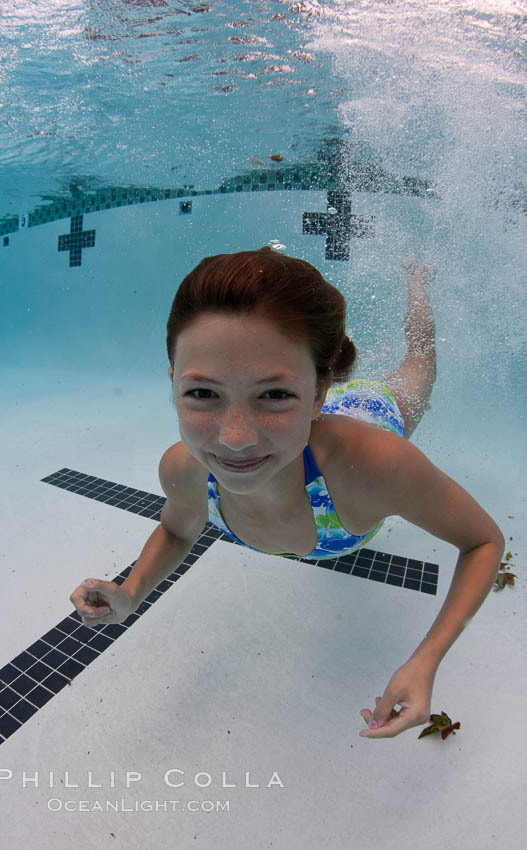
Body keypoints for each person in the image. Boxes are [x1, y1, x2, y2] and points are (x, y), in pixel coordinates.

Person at [70, 248, 505, 739]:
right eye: (203, 393)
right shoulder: (184, 469)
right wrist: (130, 594)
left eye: (273, 394)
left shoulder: (376, 466)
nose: (235, 439)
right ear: (173, 385)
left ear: (322, 391)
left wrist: (426, 660)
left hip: (368, 414)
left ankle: (418, 280)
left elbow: (482, 542)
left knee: (420, 363)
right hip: (298, 426)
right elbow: (177, 527)